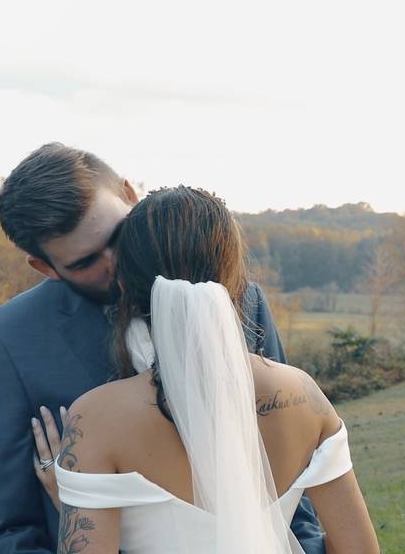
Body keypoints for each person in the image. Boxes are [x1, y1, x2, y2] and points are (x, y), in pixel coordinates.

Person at [0, 144, 325, 553]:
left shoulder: (239, 299)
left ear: (131, 195)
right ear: (45, 267)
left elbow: (293, 476)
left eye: (117, 235)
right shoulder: (8, 341)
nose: (116, 262)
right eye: (85, 262)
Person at [30, 186, 379, 553]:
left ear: (123, 286)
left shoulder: (95, 421)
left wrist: (69, 499)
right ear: (237, 281)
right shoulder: (304, 396)